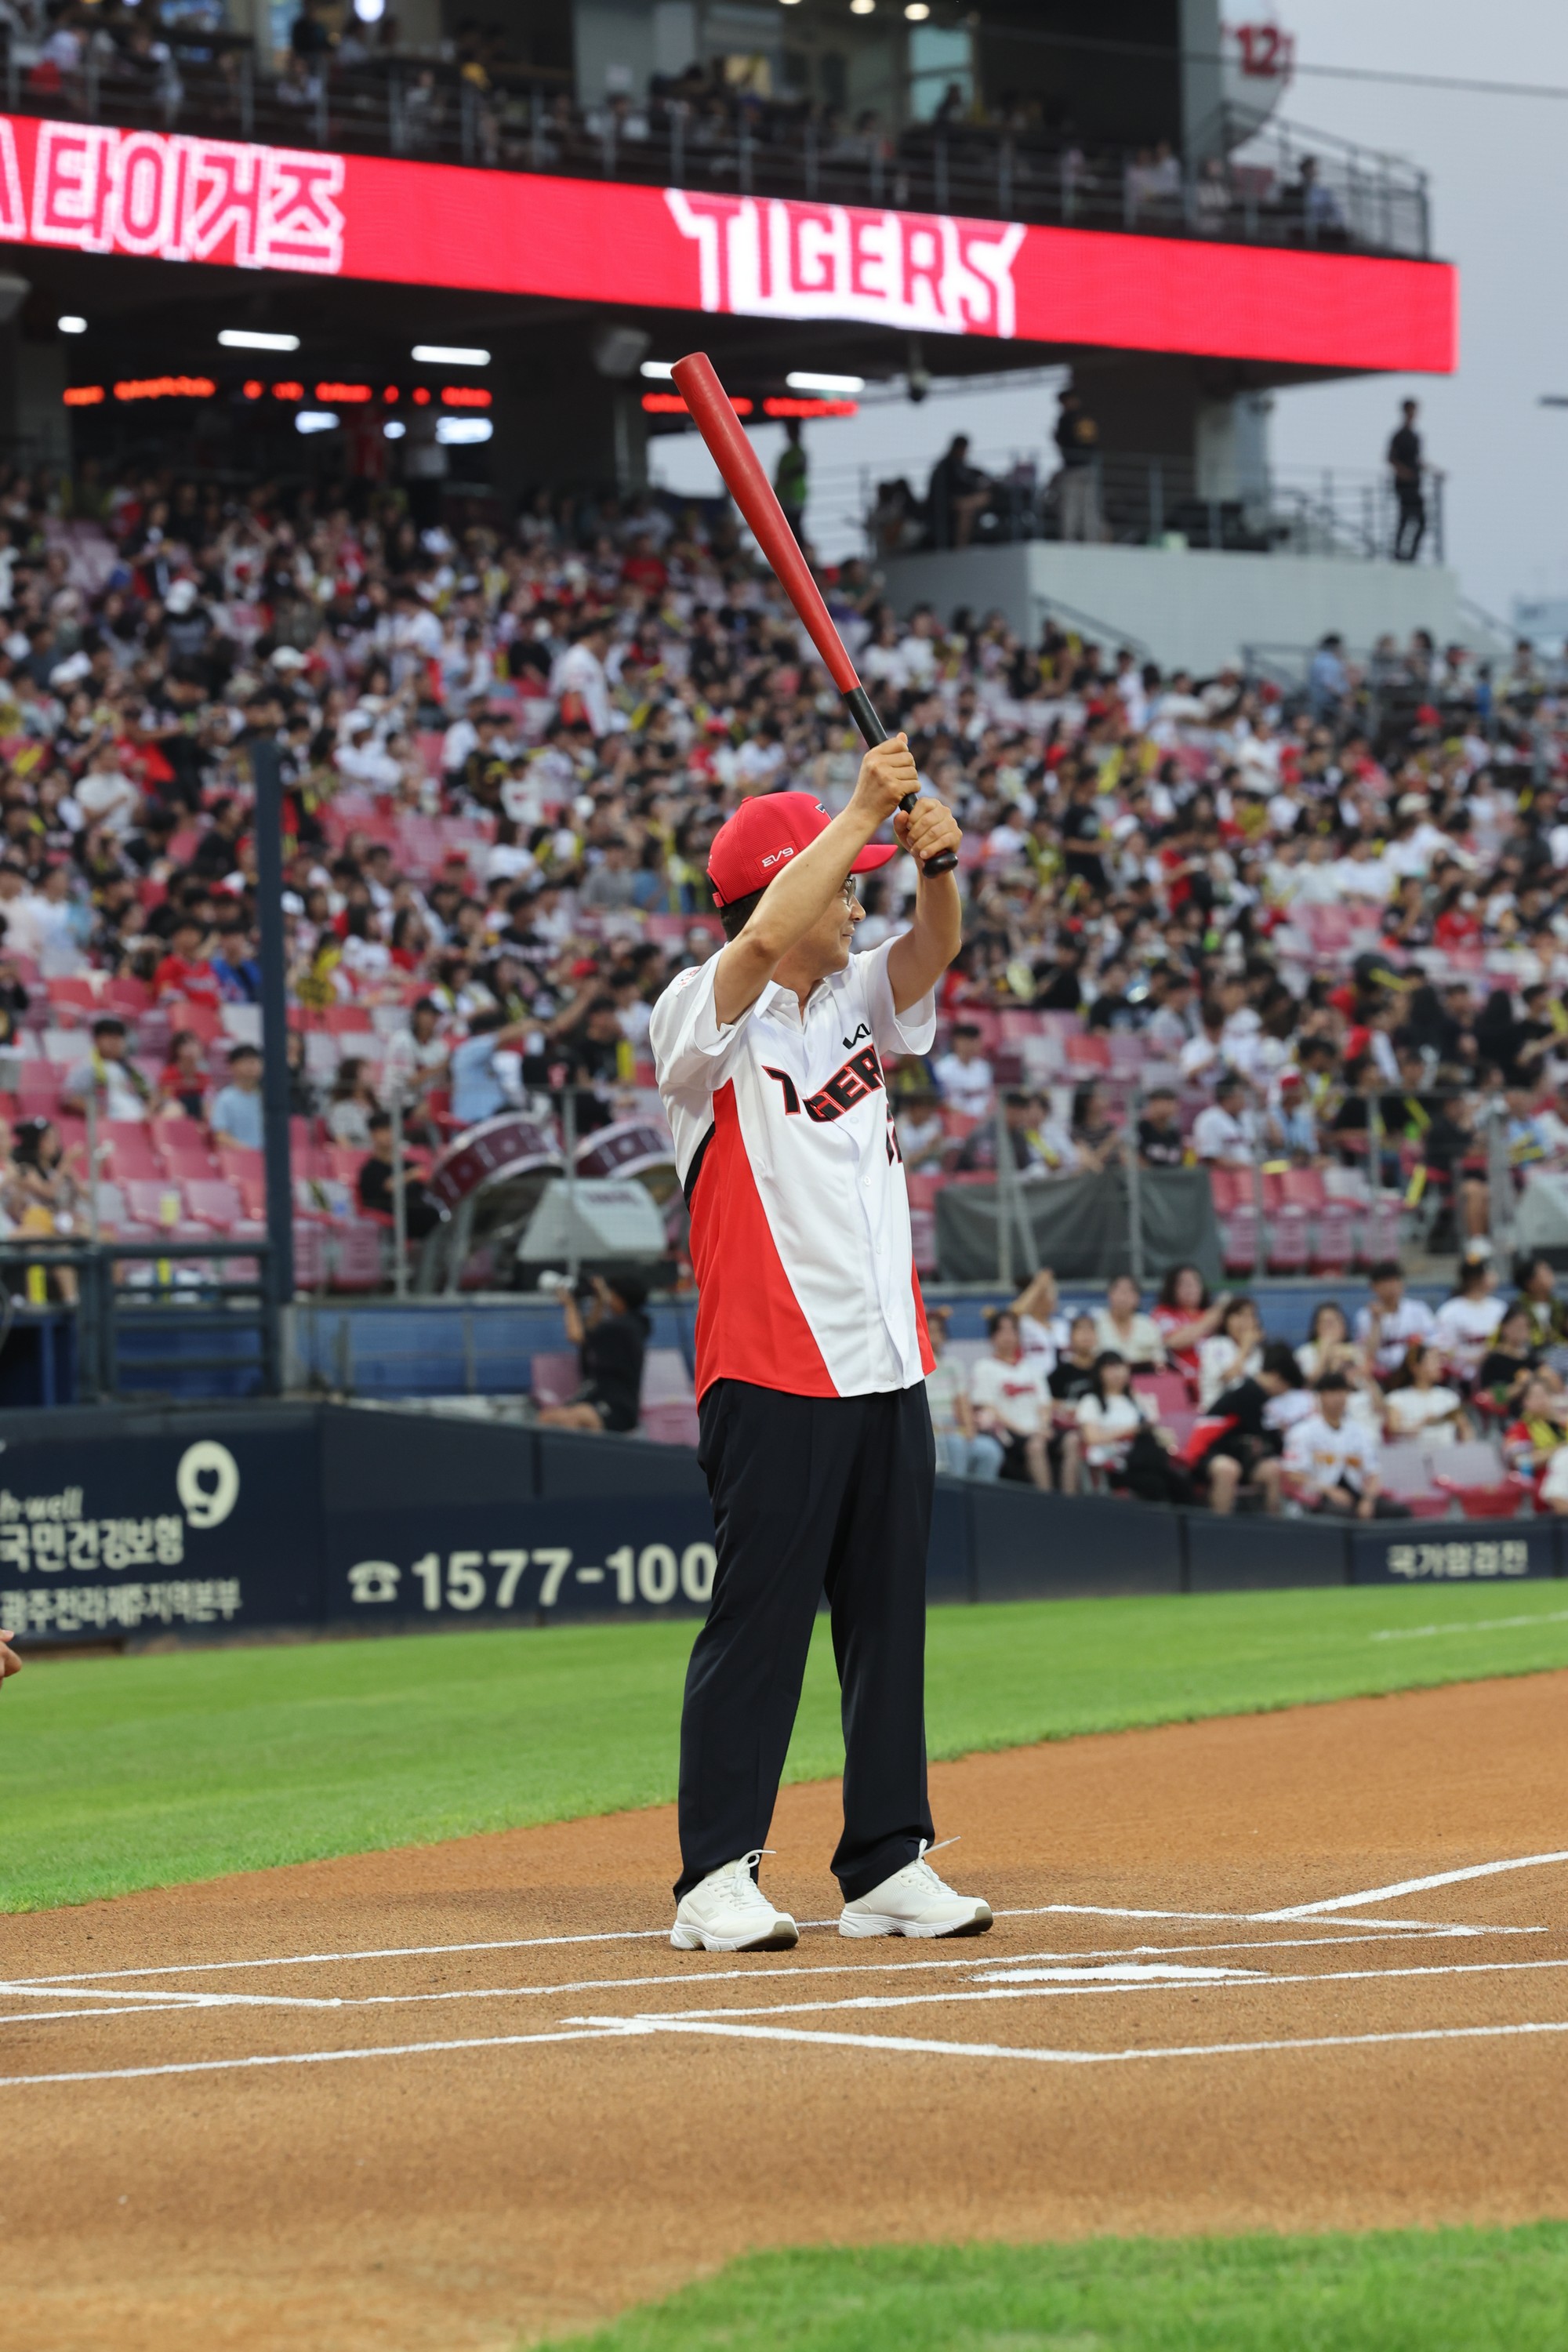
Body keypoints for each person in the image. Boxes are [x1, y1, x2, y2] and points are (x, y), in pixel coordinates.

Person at [649, 750, 991, 1952]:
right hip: (771, 1366)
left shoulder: (852, 999)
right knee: (760, 1624)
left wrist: (941, 869)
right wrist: (857, 814)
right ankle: (714, 1877)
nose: (862, 900)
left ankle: (888, 1861)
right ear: (785, 883)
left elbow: (932, 950)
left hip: (886, 1362)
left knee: (888, 1625)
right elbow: (751, 955)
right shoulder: (701, 1012)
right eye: (847, 882)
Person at [534, 1272, 650, 1435]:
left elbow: (577, 1336)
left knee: (575, 1419)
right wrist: (600, 1302)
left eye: (611, 1294)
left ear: (620, 1298)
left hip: (618, 1405)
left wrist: (570, 1304)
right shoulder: (635, 1324)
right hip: (597, 1396)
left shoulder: (622, 1327)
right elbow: (592, 1330)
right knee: (548, 1417)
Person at [1283, 1371, 1410, 1517]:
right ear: (1321, 1396)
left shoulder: (1359, 1431)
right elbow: (1293, 1474)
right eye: (1333, 1392)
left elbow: (1373, 1473)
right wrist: (1329, 1490)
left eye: (1342, 1392)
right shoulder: (1303, 1431)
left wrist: (1368, 1500)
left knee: (1400, 1512)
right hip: (1320, 1496)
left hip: (1356, 1493)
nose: (1339, 1398)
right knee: (1343, 1514)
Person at [968, 1308, 1052, 1488]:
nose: (1008, 1336)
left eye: (1012, 1330)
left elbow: (1045, 1404)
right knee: (1035, 1447)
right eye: (1002, 1330)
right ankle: (1048, 1504)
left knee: (1072, 1441)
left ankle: (1078, 1503)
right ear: (992, 1336)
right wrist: (1024, 1431)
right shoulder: (984, 1367)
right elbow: (989, 1408)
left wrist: (1043, 1427)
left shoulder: (1031, 1367)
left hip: (1038, 1430)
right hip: (1009, 1434)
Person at [924, 1308, 1003, 1479]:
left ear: (945, 1336)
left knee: (990, 1451)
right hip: (930, 1432)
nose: (934, 1337)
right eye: (929, 1332)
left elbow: (963, 1403)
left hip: (953, 1429)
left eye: (938, 1332)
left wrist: (969, 1430)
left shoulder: (953, 1366)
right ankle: (958, 1500)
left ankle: (981, 1502)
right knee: (956, 1445)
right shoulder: (915, 1370)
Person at [356, 1111, 441, 1240]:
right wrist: (411, 1175)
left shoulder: (408, 1165)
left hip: (420, 1209)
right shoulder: (370, 1170)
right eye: (384, 1130)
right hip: (394, 1213)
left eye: (392, 1130)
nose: (389, 1135)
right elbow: (388, 1186)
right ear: (373, 1134)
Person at [1433, 1243, 1504, 1385]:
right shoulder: (1450, 1311)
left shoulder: (1499, 1307)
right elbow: (1443, 1350)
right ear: (1475, 1279)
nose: (1494, 1277)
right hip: (1461, 1376)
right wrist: (1470, 1358)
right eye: (1489, 1273)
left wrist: (1491, 1354)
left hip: (1496, 1374)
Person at [1354, 1261, 1435, 1382]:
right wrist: (1376, 1321)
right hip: (1381, 1374)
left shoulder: (1418, 1310)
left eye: (1394, 1281)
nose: (1391, 1287)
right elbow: (1368, 1354)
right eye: (1385, 1283)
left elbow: (1433, 1342)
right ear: (1374, 1287)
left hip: (1413, 1371)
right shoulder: (1365, 1315)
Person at [1151, 1263, 1225, 1391]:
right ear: (1172, 1288)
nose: (1191, 1288)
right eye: (1184, 1284)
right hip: (1183, 1383)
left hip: (1216, 1380)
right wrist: (1210, 1319)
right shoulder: (1163, 1313)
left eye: (1196, 1283)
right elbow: (1173, 1341)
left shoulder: (1209, 1314)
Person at [1382, 1342, 1470, 1441]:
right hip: (1410, 1454)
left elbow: (1466, 1429)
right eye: (1433, 1361)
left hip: (1446, 1454)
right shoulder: (1397, 1398)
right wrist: (1422, 1424)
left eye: (1439, 1361)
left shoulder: (1449, 1397)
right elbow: (1393, 1428)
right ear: (1415, 1367)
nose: (1439, 1365)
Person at [1054, 387, 1102, 542]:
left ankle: (1086, 540)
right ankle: (1075, 540)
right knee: (1075, 508)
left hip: (1080, 468)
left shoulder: (1075, 419)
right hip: (1078, 468)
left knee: (1083, 507)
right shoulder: (1078, 418)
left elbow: (1088, 443)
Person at [1091, 1272, 1165, 1366]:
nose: (1124, 1297)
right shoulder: (1095, 1324)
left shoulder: (1148, 1325)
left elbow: (1160, 1361)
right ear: (1109, 1294)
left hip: (1142, 1377)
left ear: (1138, 1298)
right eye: (1120, 1291)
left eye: (1130, 1292)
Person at [1388, 397, 1427, 563]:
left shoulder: (1415, 436)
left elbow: (1418, 460)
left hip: (1415, 484)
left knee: (1421, 521)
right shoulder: (1399, 435)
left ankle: (1410, 555)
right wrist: (1404, 473)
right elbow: (1391, 458)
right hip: (1404, 486)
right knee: (1405, 519)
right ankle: (1399, 554)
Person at [209, 1044, 265, 1152]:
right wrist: (249, 1151)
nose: (252, 1065)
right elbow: (221, 1136)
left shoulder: (265, 1097)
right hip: (239, 1159)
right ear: (232, 1066)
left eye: (256, 1061)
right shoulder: (225, 1098)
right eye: (247, 1061)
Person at [774, 418, 808, 542]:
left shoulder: (799, 453)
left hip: (795, 498)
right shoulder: (786, 455)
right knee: (788, 530)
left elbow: (800, 469)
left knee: (794, 530)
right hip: (785, 498)